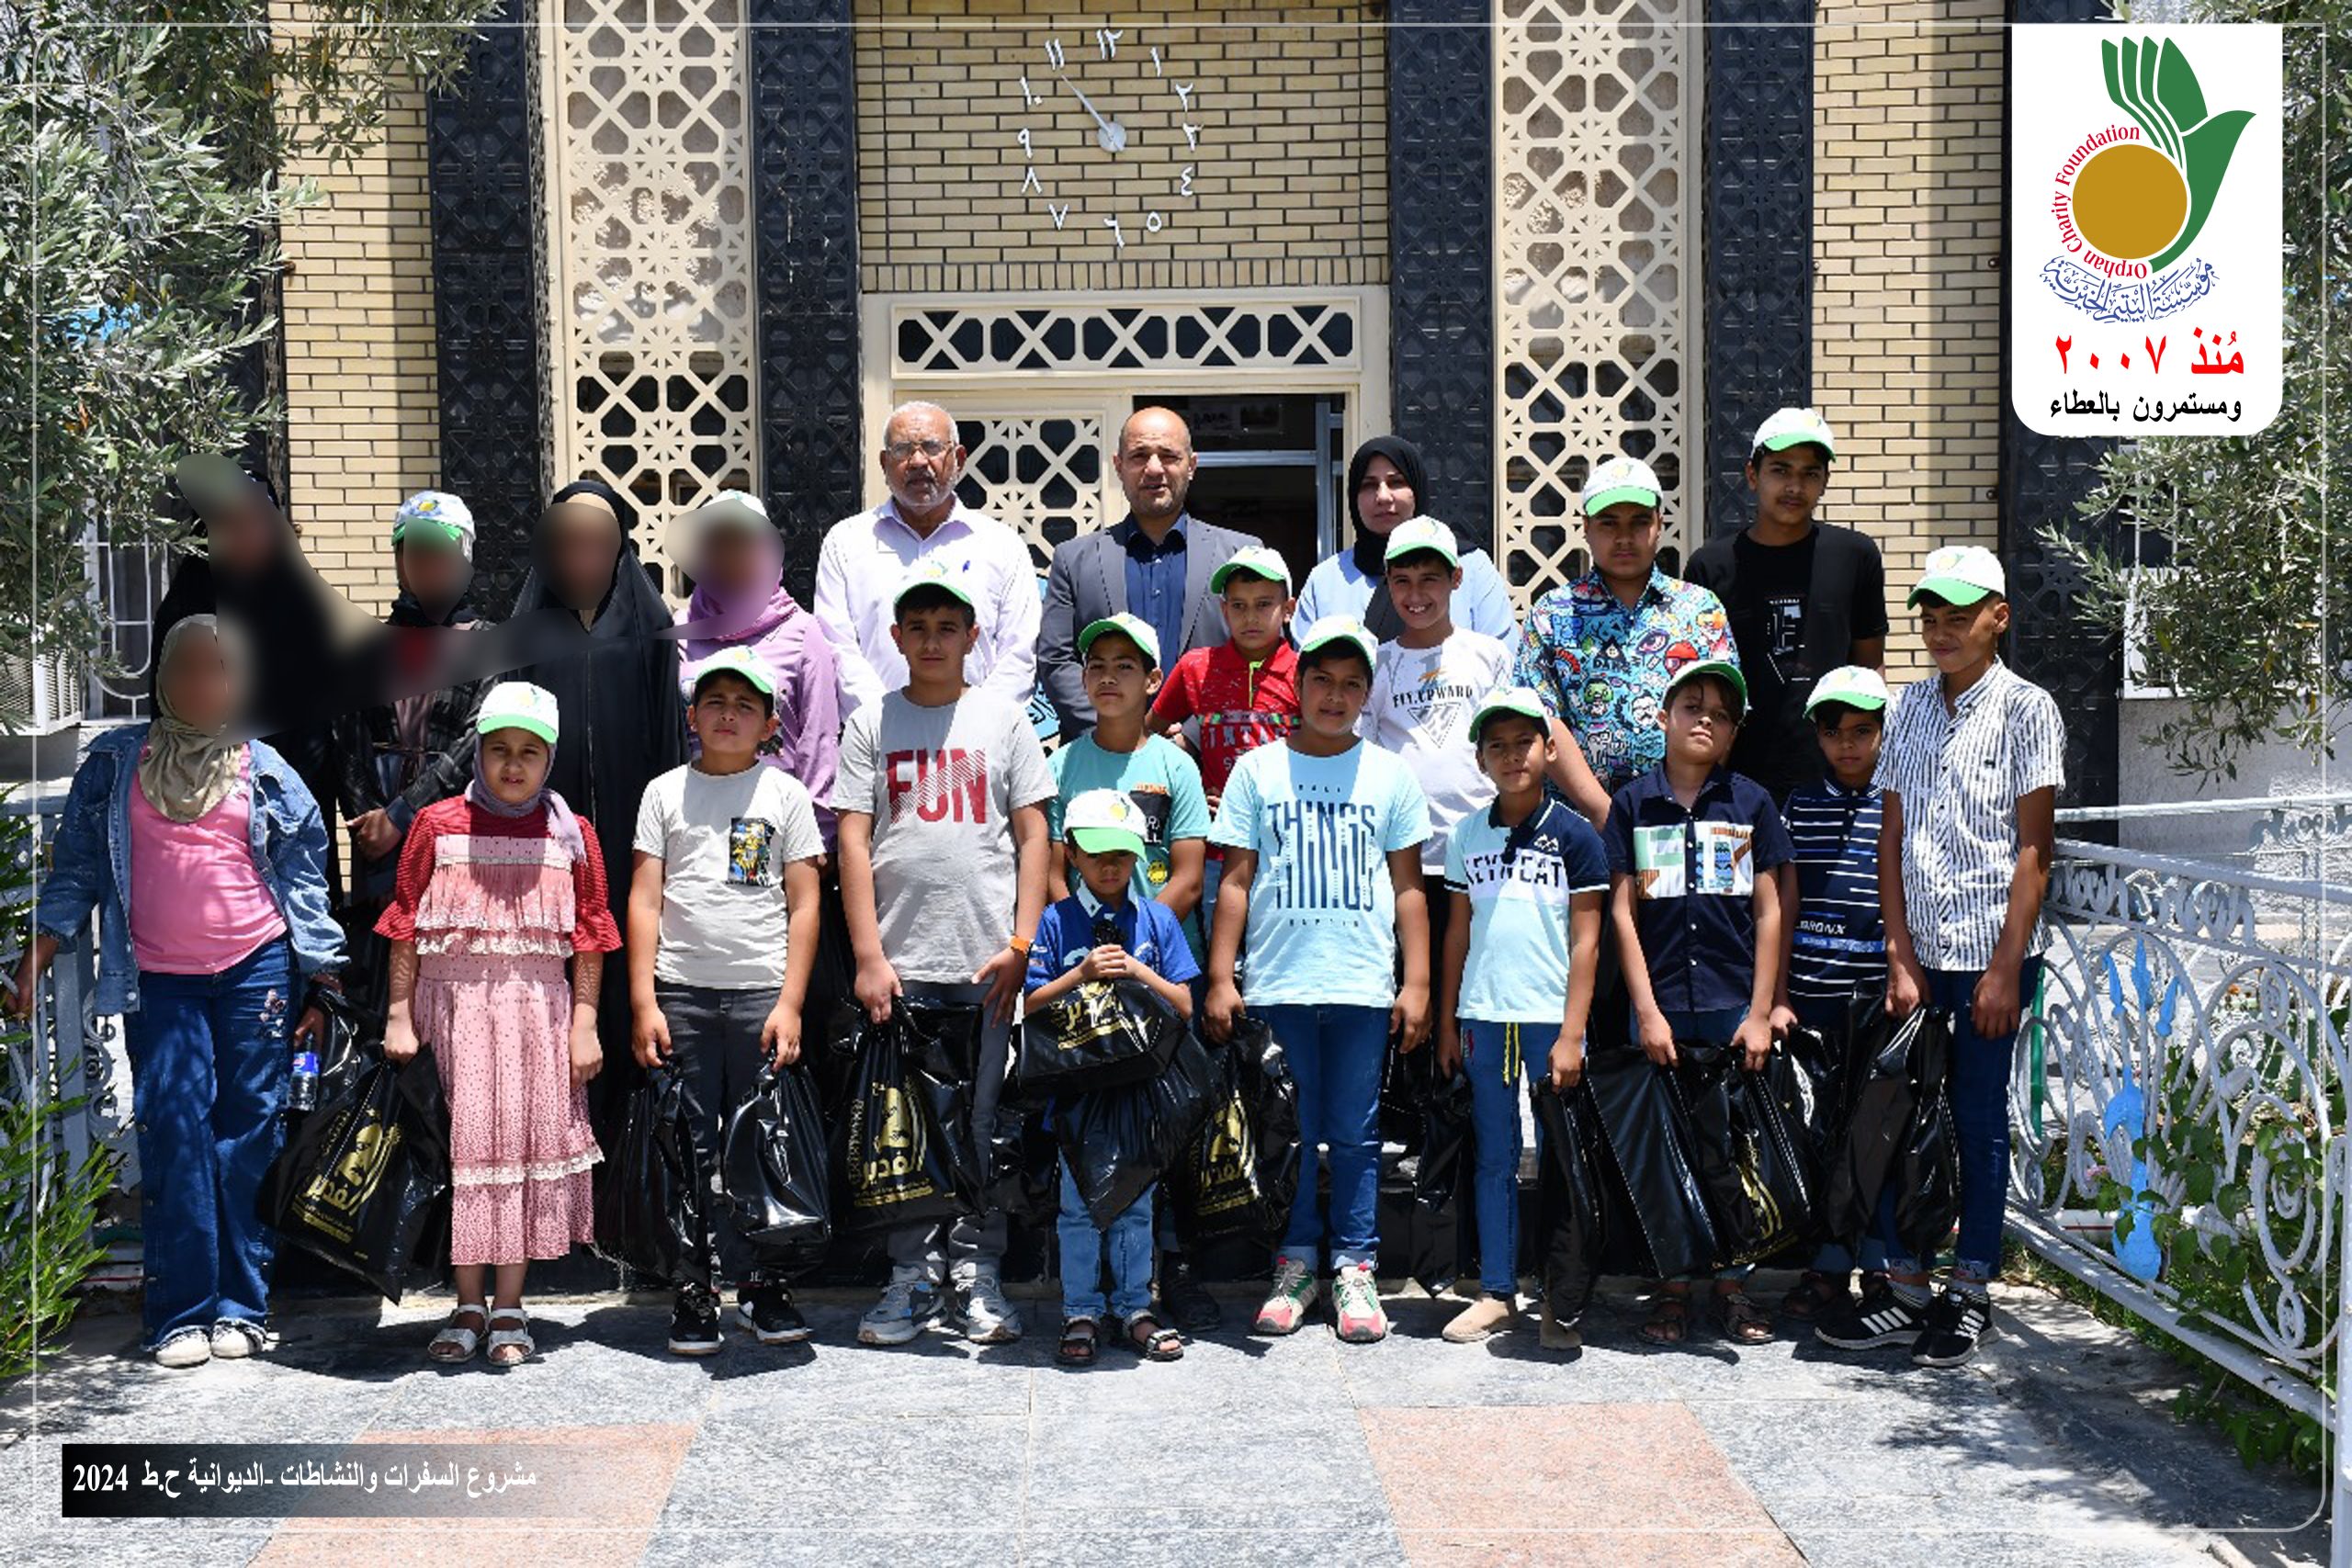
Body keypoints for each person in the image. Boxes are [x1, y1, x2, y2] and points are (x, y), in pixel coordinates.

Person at [15, 616, 343, 1369]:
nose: (204, 683)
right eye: (189, 668)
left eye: (220, 670)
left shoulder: (265, 767)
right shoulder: (116, 762)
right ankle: (179, 1313)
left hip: (255, 971)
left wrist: (323, 979)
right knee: (174, 1128)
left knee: (247, 1131)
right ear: (163, 676)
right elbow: (77, 870)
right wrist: (41, 948)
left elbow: (302, 880)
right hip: (159, 979)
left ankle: (243, 1306)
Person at [1816, 546, 2063, 1368]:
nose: (1941, 630)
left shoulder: (2029, 710)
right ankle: (1904, 1285)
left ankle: (1971, 1289)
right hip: (1918, 959)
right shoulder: (1911, 707)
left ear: (2000, 616)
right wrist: (1898, 952)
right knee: (1894, 1112)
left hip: (1990, 957)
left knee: (1980, 1120)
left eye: (1960, 614)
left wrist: (2004, 965)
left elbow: (2034, 851)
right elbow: (1892, 837)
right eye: (1930, 614)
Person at [833, 559, 1056, 1348]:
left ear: (972, 637)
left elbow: (1035, 835)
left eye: (947, 627)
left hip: (988, 968)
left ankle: (977, 1270)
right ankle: (912, 1273)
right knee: (908, 1127)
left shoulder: (1002, 723)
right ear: (895, 637)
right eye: (917, 628)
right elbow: (853, 838)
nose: (932, 641)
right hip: (903, 966)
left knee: (986, 1124)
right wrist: (868, 954)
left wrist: (1023, 943)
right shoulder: (872, 724)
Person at [1204, 615, 1432, 1347]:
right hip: (1277, 983)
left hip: (1362, 985)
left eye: (1352, 683)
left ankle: (1355, 1265)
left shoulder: (1390, 773)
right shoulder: (1258, 770)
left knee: (1358, 1134)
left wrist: (1417, 980)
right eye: (1322, 680)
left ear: (1368, 693)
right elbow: (1234, 880)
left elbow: (1408, 888)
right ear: (1296, 685)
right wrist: (1220, 975)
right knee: (1290, 1134)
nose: (1335, 695)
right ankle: (1296, 1262)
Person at [378, 682, 618, 1368]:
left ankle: (510, 1306)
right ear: (478, 752)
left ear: (550, 759)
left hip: (534, 1018)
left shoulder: (572, 838)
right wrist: (399, 1012)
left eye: (529, 752)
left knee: (515, 1155)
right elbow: (403, 925)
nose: (513, 765)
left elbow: (592, 937)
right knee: (465, 1154)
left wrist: (585, 1023)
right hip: (451, 1015)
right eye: (499, 750)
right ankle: (465, 1303)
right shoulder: (437, 825)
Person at [628, 647, 827, 1357]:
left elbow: (805, 904)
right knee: (690, 1146)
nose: (729, 715)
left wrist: (792, 1001)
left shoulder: (785, 796)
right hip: (682, 994)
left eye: (745, 705)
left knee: (760, 1147)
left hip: (760, 999)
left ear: (770, 722)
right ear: (692, 716)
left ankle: (763, 1285)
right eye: (715, 702)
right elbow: (646, 897)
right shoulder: (664, 794)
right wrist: (644, 1000)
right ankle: (694, 1287)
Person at [1603, 659, 1792, 1348]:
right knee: (1665, 1150)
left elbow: (1770, 913)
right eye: (1691, 705)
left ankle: (1734, 1285)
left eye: (1719, 711)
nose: (1703, 718)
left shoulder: (1750, 803)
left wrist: (1760, 1008)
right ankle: (1674, 1285)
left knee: (1732, 1149)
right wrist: (1646, 1010)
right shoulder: (1632, 804)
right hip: (1660, 1010)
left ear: (1735, 731)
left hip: (1729, 1005)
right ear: (1663, 718)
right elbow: (1622, 914)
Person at [1046, 611, 1216, 1329]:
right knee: (1090, 1131)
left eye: (1125, 666)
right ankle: (1087, 1299)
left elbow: (1185, 873)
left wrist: (1138, 939)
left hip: (1154, 963)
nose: (1108, 677)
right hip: (1084, 982)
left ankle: (1156, 1280)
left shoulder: (1173, 764)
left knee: (1163, 1129)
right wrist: (1088, 938)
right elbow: (1055, 870)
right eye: (1096, 665)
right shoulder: (1062, 762)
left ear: (1153, 680)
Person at [506, 479, 691, 1132]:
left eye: (596, 543)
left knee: (622, 997)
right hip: (541, 858)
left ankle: (625, 1171)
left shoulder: (648, 627)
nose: (581, 557)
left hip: (627, 849)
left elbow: (670, 744)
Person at [1433, 689, 1609, 1348]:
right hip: (1483, 1015)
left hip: (1549, 1020)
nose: (1512, 755)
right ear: (1480, 758)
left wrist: (1572, 1031)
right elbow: (1458, 931)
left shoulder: (1576, 835)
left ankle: (1559, 1300)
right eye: (1497, 745)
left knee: (1563, 1157)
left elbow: (1587, 939)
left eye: (1524, 742)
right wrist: (1450, 1020)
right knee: (1495, 1157)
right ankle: (1497, 1290)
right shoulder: (1466, 835)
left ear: (1549, 748)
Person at [1026, 790, 1200, 1368]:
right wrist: (1080, 972)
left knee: (1136, 1203)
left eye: (1122, 857)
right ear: (1071, 853)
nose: (1109, 868)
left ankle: (1133, 1306)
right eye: (1097, 855)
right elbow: (1029, 1006)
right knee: (1077, 1205)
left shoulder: (1155, 920)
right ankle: (1081, 1309)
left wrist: (1138, 969)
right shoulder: (1055, 921)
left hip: (1141, 1096)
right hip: (1078, 1095)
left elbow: (1184, 1003)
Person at [1510, 455, 1737, 829]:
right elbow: (1540, 717)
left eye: (1639, 522)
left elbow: (1728, 711)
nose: (1624, 537)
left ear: (1660, 524)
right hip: (1578, 826)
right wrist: (1603, 811)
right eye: (1609, 523)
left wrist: (1685, 797)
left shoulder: (1700, 609)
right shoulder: (1553, 613)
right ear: (1585, 527)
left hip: (1681, 820)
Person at [1773, 665, 1895, 1329]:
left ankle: (1880, 1264)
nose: (1847, 744)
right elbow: (1785, 903)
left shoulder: (1900, 800)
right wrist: (1781, 993)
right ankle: (1825, 1267)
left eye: (1862, 731)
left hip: (1876, 998)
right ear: (1817, 736)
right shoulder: (1799, 804)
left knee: (1875, 1135)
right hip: (1812, 999)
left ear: (1882, 732)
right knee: (1822, 1135)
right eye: (1833, 731)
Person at [335, 491, 489, 1016]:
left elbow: (474, 742)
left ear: (465, 557)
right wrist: (373, 832)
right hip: (380, 849)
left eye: (441, 552)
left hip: (457, 841)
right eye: (415, 551)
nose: (428, 564)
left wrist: (405, 816)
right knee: (386, 1001)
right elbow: (348, 747)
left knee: (455, 994)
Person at [1683, 409, 1887, 802]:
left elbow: (1869, 666)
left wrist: (1870, 757)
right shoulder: (1711, 566)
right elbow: (1699, 683)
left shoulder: (1855, 556)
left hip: (1835, 779)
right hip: (1736, 782)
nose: (1795, 486)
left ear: (1825, 480)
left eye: (1810, 473)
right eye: (1780, 470)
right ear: (1752, 474)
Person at [1358, 516, 1516, 987]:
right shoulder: (1377, 662)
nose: (1416, 594)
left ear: (1456, 579)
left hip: (1485, 855)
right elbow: (1365, 755)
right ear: (1387, 583)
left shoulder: (1491, 655)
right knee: (1412, 988)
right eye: (1402, 582)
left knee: (1477, 985)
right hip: (1406, 864)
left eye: (1430, 579)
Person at [1037, 407, 1261, 739]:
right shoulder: (1073, 559)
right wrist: (1118, 733)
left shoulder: (1239, 555)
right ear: (1118, 466)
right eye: (1139, 455)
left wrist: (1194, 735)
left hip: (1210, 762)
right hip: (1100, 762)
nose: (1154, 468)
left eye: (1168, 456)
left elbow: (1257, 659)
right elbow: (1056, 660)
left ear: (1192, 466)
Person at [815, 400, 1040, 716]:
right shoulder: (847, 542)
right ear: (883, 462)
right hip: (878, 741)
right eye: (903, 449)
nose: (918, 460)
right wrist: (886, 722)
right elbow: (836, 647)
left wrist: (978, 725)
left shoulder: (1001, 544)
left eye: (932, 447)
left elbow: (1020, 651)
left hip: (980, 744)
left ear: (959, 458)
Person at [669, 489, 842, 846]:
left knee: (756, 902)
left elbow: (819, 741)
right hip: (693, 821)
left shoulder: (800, 632)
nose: (729, 557)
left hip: (772, 824)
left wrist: (816, 838)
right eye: (717, 544)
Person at [1148, 546, 1301, 933]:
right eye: (1239, 605)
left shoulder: (1307, 673)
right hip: (1218, 847)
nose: (1250, 617)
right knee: (1225, 959)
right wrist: (1190, 796)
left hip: (1291, 844)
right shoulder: (1197, 667)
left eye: (1264, 604)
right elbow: (1150, 736)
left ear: (1289, 609)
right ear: (1223, 609)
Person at [1292, 435, 1518, 647]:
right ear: (1353, 497)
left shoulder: (1470, 567)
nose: (1383, 497)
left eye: (1396, 482)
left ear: (1417, 489)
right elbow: (1308, 672)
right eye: (1369, 485)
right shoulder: (1326, 580)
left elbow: (1503, 662)